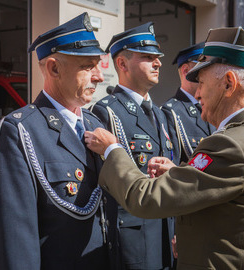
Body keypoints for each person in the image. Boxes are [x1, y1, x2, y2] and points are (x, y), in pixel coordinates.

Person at [84, 26, 244, 269]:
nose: (197, 93)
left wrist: (113, 150)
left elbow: (146, 198)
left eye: (202, 82)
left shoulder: (230, 144)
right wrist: (179, 173)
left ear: (229, 84)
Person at [0, 13, 120, 270]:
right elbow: (14, 239)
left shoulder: (95, 125)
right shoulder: (19, 130)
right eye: (88, 67)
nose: (99, 77)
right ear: (54, 68)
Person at [90, 22, 175, 269]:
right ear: (123, 64)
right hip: (131, 239)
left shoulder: (160, 114)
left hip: (165, 234)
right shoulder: (106, 112)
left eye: (157, 57)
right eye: (148, 57)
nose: (158, 63)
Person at [162, 42, 216, 164]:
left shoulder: (214, 107)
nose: (210, 74)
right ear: (186, 71)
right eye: (204, 69)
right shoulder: (171, 112)